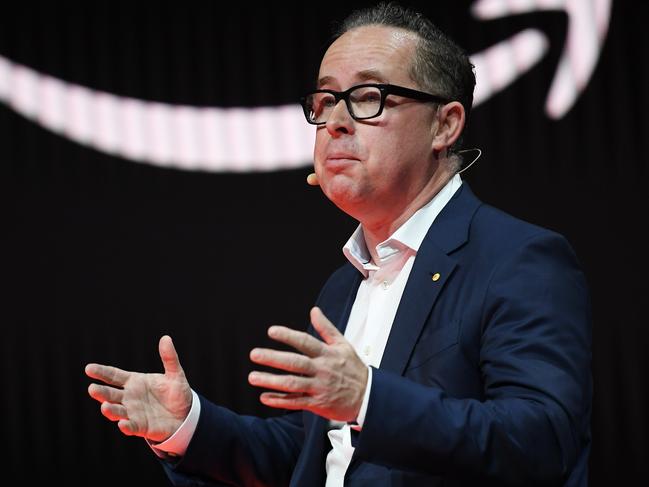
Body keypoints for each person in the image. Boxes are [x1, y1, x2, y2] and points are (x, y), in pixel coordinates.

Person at [85, 3, 592, 486]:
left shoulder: (518, 259)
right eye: (326, 100)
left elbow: (542, 440)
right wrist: (187, 426)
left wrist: (368, 398)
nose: (334, 122)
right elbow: (315, 457)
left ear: (445, 124)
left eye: (368, 97)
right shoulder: (345, 285)